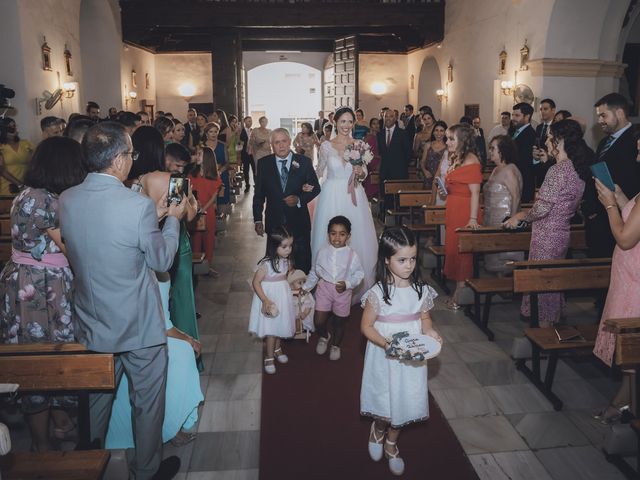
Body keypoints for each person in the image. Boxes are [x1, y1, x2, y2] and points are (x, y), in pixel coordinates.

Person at [59, 122, 185, 479]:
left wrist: (153, 218)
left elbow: (102, 242)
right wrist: (171, 221)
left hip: (92, 318)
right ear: (117, 160)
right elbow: (160, 261)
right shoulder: (135, 205)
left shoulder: (67, 198)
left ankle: (91, 461)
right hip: (137, 323)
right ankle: (145, 471)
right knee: (145, 403)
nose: (133, 159)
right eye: (130, 153)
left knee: (98, 399)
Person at [0, 137, 86, 451]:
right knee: (42, 357)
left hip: (34, 280)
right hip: (41, 286)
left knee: (49, 351)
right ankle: (46, 438)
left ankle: (58, 426)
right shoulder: (43, 200)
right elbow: (70, 247)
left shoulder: (31, 193)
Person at [360, 226, 441, 477]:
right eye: (402, 260)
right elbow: (366, 326)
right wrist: (386, 344)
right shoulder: (378, 293)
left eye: (413, 259)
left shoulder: (421, 289)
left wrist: (430, 331)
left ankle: (392, 443)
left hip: (411, 357)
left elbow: (424, 318)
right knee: (385, 397)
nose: (409, 265)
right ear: (387, 259)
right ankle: (378, 428)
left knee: (405, 399)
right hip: (385, 354)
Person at [504, 119, 589, 327]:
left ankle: (544, 329)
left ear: (560, 141)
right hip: (562, 231)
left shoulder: (558, 171)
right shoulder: (577, 169)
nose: (547, 142)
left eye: (551, 138)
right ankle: (552, 322)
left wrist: (521, 216)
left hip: (546, 234)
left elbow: (542, 208)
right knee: (553, 280)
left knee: (542, 281)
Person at [592, 138, 640, 422]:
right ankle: (621, 404)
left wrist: (610, 206)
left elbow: (625, 238)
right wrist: (621, 198)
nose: (637, 145)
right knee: (631, 359)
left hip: (634, 284)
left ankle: (632, 419)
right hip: (628, 277)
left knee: (632, 352)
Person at [311, 107, 378, 297]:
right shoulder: (325, 146)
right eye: (343, 121)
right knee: (330, 236)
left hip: (353, 196)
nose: (346, 126)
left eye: (350, 122)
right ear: (335, 123)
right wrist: (305, 184)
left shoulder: (359, 145)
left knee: (356, 236)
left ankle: (353, 284)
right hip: (331, 195)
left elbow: (364, 173)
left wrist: (361, 172)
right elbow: (319, 171)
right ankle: (328, 284)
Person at [253, 128, 320, 273]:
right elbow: (258, 195)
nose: (281, 145)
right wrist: (257, 219)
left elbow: (315, 188)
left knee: (301, 263)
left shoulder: (304, 162)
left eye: (284, 141)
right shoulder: (264, 164)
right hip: (274, 222)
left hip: (298, 222)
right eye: (277, 142)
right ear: (272, 145)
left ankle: (301, 293)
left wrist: (299, 200)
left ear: (290, 142)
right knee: (275, 265)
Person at [583, 93, 640, 260]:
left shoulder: (634, 140)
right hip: (601, 215)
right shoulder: (603, 142)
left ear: (620, 113)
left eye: (603, 115)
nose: (600, 120)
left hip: (626, 218)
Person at [305, 216, 364, 361]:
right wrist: (306, 287)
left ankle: (336, 345)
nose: (337, 238)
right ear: (328, 234)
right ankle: (325, 336)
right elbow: (315, 271)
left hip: (342, 292)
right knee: (318, 321)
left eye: (342, 234)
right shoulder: (322, 252)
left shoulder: (353, 255)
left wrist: (348, 284)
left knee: (339, 322)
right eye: (333, 233)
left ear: (348, 236)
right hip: (324, 288)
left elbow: (359, 274)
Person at [438, 124, 483, 309]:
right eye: (447, 138)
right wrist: (444, 190)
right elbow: (456, 184)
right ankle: (458, 289)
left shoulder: (471, 160)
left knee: (462, 252)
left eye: (451, 138)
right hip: (453, 207)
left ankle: (460, 294)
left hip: (465, 211)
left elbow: (475, 193)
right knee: (452, 250)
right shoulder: (456, 157)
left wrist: (472, 219)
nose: (447, 141)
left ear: (462, 140)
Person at [249, 226, 296, 374]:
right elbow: (256, 283)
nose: (288, 250)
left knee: (280, 324)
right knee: (271, 330)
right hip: (269, 299)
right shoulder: (266, 264)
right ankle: (269, 357)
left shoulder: (286, 261)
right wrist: (265, 300)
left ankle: (277, 348)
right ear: (274, 246)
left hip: (282, 297)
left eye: (290, 246)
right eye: (284, 246)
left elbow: (284, 278)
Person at [483, 135, 524, 273]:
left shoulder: (510, 169)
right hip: (492, 219)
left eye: (493, 148)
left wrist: (512, 220)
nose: (490, 151)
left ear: (503, 150)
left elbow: (516, 197)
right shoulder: (496, 169)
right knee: (494, 257)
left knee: (505, 259)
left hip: (505, 220)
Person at [189, 146, 223, 275]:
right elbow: (189, 192)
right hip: (194, 210)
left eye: (200, 155)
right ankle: (195, 266)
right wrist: (195, 206)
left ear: (207, 158)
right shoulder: (192, 174)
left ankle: (208, 266)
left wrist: (204, 208)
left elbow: (214, 197)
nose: (197, 157)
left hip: (208, 211)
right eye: (197, 154)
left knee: (209, 239)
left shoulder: (214, 177)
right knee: (196, 238)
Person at [202, 122, 232, 215]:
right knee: (208, 203)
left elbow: (227, 162)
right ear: (206, 133)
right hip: (206, 177)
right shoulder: (201, 146)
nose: (214, 134)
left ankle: (221, 226)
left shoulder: (222, 145)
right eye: (211, 132)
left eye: (216, 131)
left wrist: (220, 171)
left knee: (221, 203)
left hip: (221, 176)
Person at [0, 117, 34, 194]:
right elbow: (1, 170)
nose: (13, 129)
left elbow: (33, 164)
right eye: (9, 128)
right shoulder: (1, 147)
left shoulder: (25, 143)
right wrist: (20, 184)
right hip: (8, 187)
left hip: (26, 185)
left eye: (14, 126)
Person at [511, 102, 537, 202]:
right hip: (515, 180)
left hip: (523, 183)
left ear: (527, 117)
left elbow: (525, 162)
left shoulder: (530, 134)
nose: (513, 118)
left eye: (517, 115)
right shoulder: (514, 132)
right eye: (513, 115)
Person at [378, 108, 411, 185]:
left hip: (399, 173)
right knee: (385, 197)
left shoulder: (403, 134)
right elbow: (380, 153)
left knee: (398, 197)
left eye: (391, 116)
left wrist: (401, 167)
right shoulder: (380, 134)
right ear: (383, 118)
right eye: (386, 116)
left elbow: (408, 154)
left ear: (395, 118)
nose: (388, 118)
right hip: (384, 174)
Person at [532, 98, 557, 187]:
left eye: (545, 109)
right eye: (541, 109)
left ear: (553, 110)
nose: (542, 112)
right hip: (539, 167)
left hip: (552, 167)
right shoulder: (539, 127)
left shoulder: (557, 127)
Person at [419, 120, 448, 189]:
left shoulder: (448, 147)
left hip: (442, 179)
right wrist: (425, 171)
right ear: (433, 132)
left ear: (445, 133)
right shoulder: (428, 145)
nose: (438, 133)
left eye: (441, 131)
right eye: (436, 130)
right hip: (429, 178)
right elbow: (422, 161)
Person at [288, 269, 315, 340]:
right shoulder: (289, 294)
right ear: (291, 285)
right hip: (292, 313)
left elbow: (309, 305)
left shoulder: (305, 294)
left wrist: (305, 313)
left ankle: (304, 330)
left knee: (304, 318)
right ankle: (290, 331)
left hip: (302, 312)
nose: (303, 284)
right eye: (299, 283)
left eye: (304, 282)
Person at [363, 117, 381, 199]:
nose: (376, 125)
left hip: (381, 162)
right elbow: (364, 152)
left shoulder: (382, 136)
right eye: (374, 124)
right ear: (370, 126)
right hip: (371, 163)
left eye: (377, 123)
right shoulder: (367, 138)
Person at [240, 116, 255, 192]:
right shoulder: (241, 131)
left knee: (255, 169)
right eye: (249, 121)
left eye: (251, 121)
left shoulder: (254, 131)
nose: (250, 122)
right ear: (245, 122)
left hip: (253, 153)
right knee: (246, 170)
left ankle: (256, 184)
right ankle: (247, 185)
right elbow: (239, 143)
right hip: (245, 153)